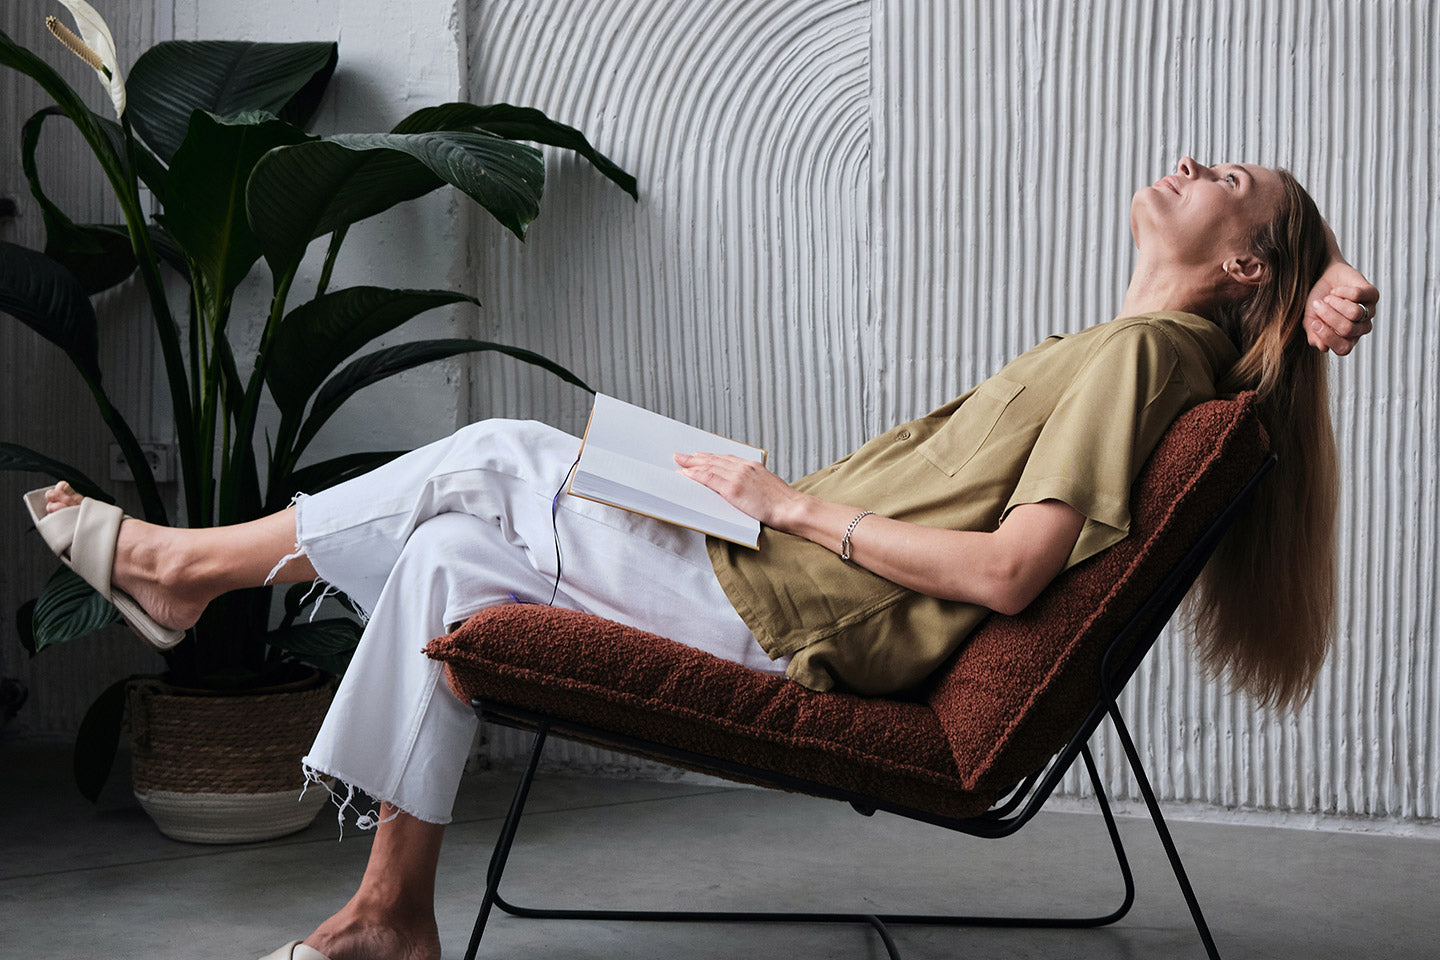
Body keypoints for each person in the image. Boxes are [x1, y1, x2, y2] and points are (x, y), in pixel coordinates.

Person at [27, 157, 1376, 960]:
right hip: (775, 568)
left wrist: (783, 506)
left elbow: (1013, 577)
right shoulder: (1140, 348)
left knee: (497, 451)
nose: (1194, 162)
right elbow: (1295, 313)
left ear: (1245, 262)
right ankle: (388, 919)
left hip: (795, 610)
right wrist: (1320, 286)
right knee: (444, 552)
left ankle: (183, 568)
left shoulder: (1147, 357)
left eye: (1231, 180)